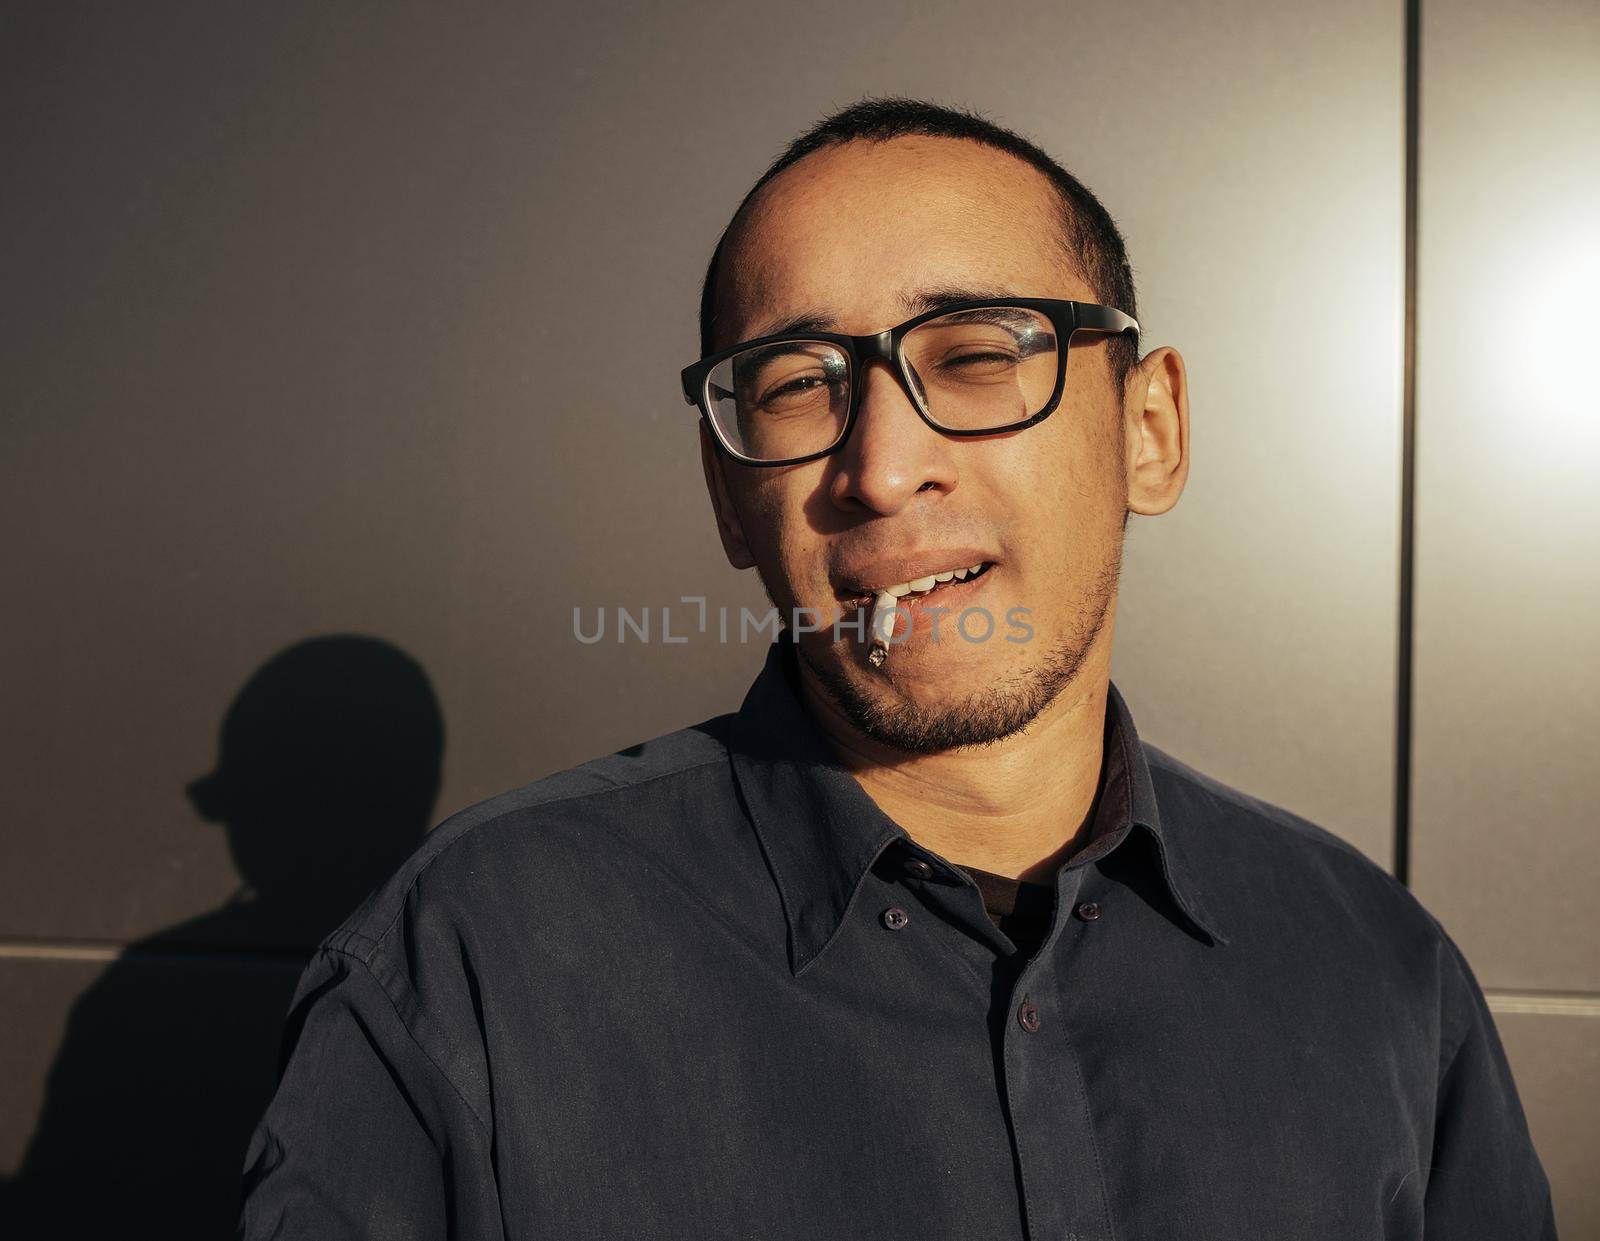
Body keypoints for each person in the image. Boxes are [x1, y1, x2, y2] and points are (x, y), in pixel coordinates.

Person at [237, 98, 1555, 1239]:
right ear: (724, 490)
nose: (878, 465)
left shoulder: (1376, 976)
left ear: (1149, 429)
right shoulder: (467, 964)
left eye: (978, 354)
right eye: (797, 385)